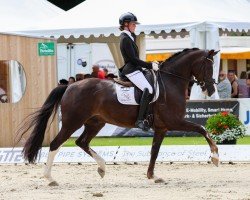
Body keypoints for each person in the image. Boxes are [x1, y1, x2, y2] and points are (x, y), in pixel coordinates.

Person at [119, 12, 159, 131]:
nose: (135, 26)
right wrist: (150, 65)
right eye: (133, 24)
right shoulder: (125, 38)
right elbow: (132, 59)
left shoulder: (131, 36)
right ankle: (140, 120)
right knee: (148, 89)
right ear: (126, 24)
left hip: (136, 68)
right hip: (131, 69)